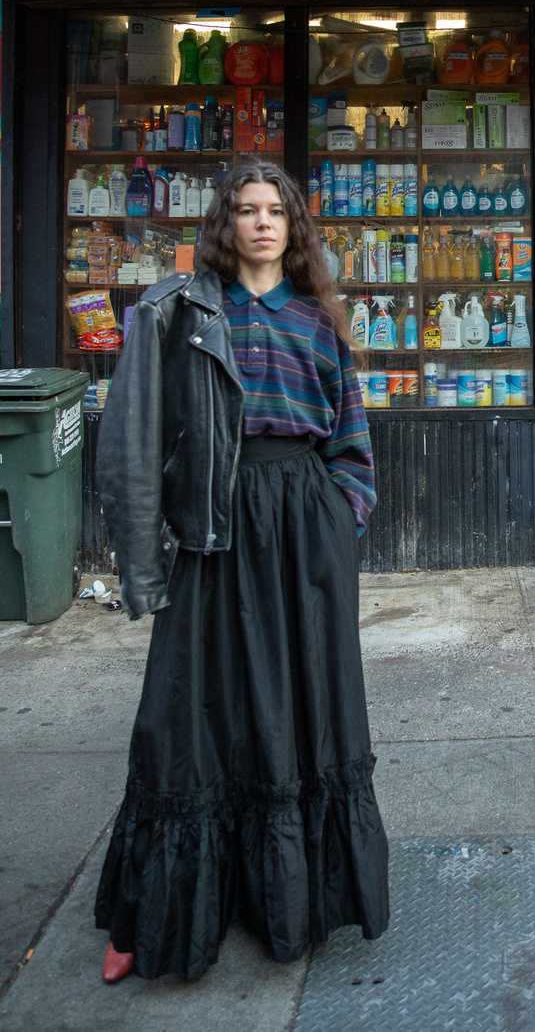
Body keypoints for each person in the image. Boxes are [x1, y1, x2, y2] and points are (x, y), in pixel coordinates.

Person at [93, 162, 390, 982]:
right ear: (224, 224)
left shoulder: (318, 319)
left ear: (294, 228)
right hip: (214, 528)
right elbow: (138, 435)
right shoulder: (183, 309)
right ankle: (147, 913)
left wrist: (343, 514)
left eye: (276, 212)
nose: (262, 224)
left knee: (302, 711)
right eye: (246, 211)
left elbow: (349, 435)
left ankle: (290, 901)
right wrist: (146, 549)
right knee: (182, 714)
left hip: (303, 527)